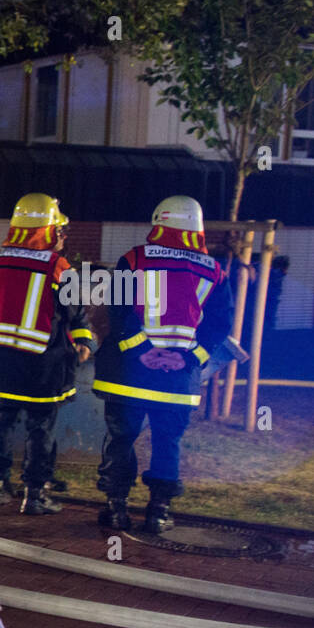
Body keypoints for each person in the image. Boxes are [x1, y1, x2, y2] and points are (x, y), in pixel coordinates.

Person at [92, 196, 232, 533]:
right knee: (168, 441)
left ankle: (116, 509)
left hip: (130, 372)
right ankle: (158, 512)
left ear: (159, 223)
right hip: (177, 378)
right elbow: (220, 325)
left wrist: (142, 350)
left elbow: (117, 309)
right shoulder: (214, 271)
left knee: (121, 438)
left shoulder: (134, 259)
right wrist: (186, 357)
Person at [0, 193, 95, 515]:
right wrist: (84, 343)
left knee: (1, 422)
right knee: (40, 428)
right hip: (41, 364)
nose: (63, 237)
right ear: (49, 232)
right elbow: (74, 311)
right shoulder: (58, 266)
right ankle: (34, 495)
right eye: (60, 230)